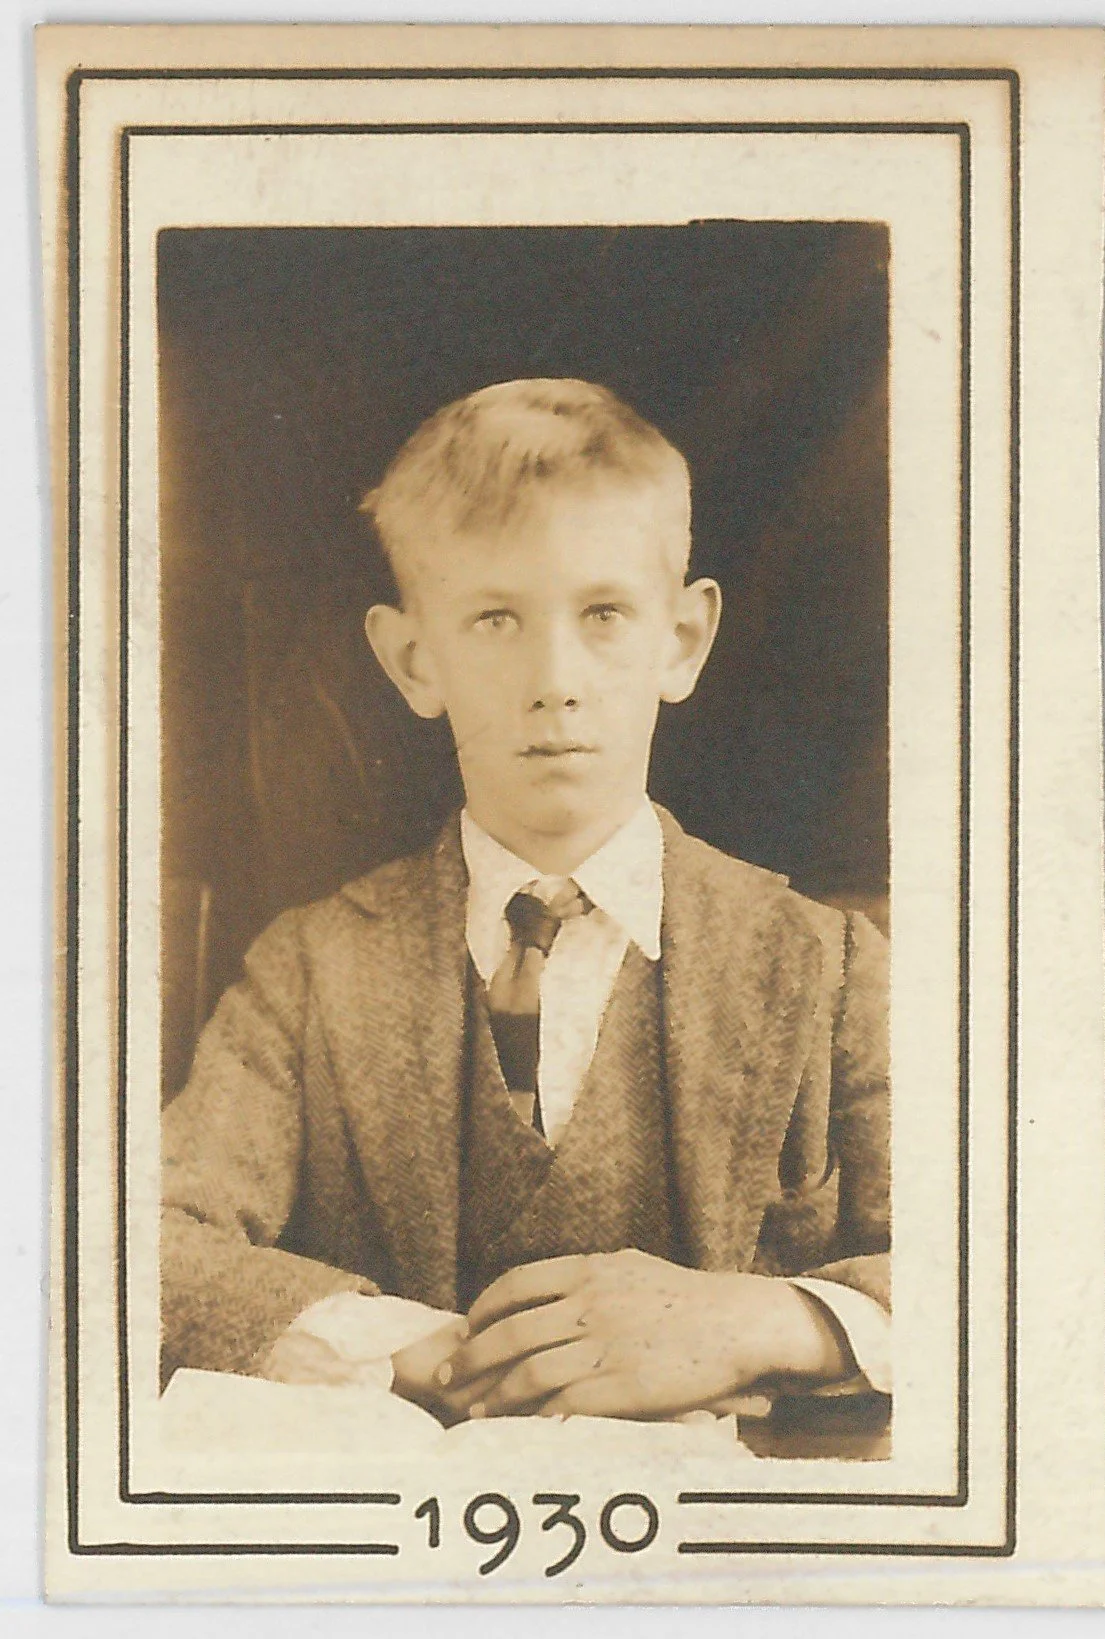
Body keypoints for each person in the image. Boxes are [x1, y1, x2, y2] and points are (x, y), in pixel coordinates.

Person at [161, 377, 890, 1428]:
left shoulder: (823, 967)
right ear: (414, 659)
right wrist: (399, 1347)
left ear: (680, 640)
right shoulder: (312, 971)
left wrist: (760, 1321)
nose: (554, 677)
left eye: (602, 614)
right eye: (495, 619)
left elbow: (1005, 1264)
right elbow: (137, 1242)